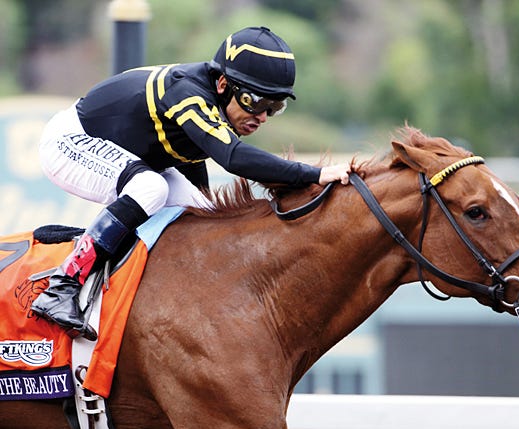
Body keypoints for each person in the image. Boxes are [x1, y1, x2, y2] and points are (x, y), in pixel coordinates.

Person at [31, 26, 351, 340]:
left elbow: (193, 160)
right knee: (150, 189)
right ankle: (62, 286)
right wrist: (313, 174)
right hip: (70, 142)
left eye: (274, 107)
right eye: (254, 101)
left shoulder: (216, 101)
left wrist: (207, 205)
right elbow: (233, 157)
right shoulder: (189, 95)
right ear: (223, 84)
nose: (262, 116)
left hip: (130, 153)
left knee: (203, 214)